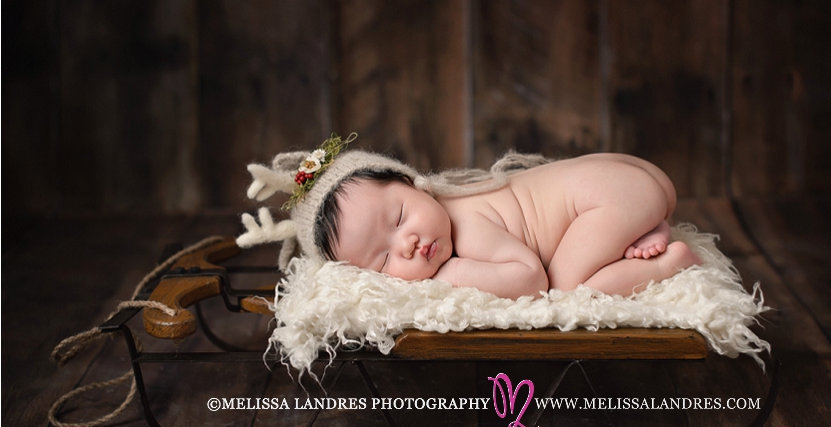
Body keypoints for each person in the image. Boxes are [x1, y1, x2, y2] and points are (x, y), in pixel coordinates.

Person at [237, 135, 701, 300]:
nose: (408, 245)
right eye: (382, 261)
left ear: (415, 183)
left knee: (566, 287)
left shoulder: (467, 222)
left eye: (399, 216)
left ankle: (666, 264)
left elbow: (530, 279)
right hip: (631, 178)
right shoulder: (449, 201)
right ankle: (644, 224)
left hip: (611, 195)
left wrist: (454, 274)